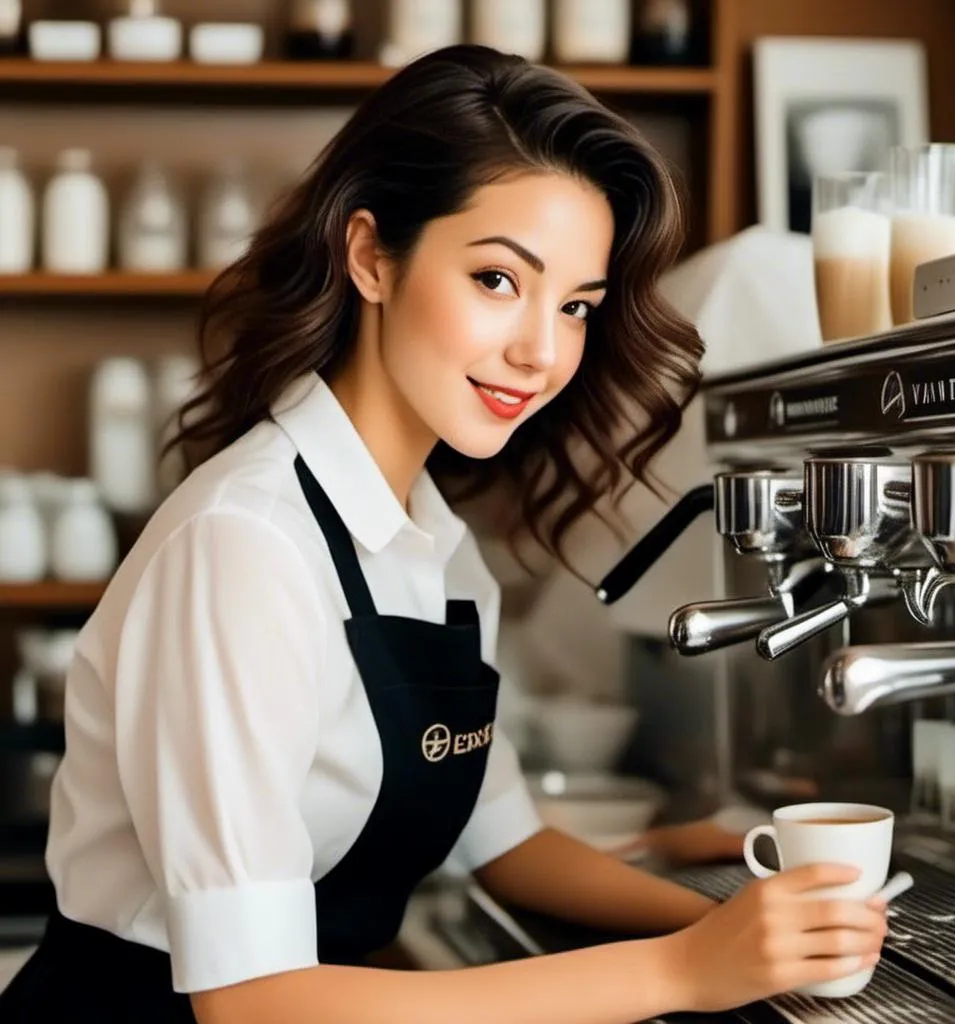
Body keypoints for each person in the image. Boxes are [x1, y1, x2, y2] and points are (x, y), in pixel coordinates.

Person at [0, 45, 887, 1024]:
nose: (541, 352)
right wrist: (681, 971)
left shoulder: (437, 547)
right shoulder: (244, 543)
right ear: (371, 255)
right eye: (499, 280)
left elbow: (503, 845)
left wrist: (739, 927)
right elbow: (249, 999)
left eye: (576, 306)